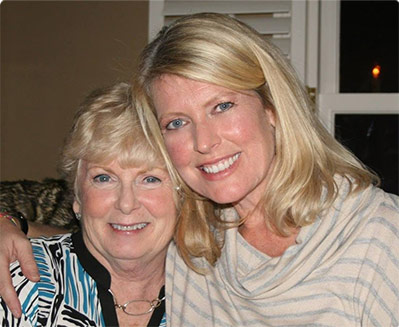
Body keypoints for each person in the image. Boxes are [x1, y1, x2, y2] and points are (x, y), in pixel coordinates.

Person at [1, 13, 399, 326]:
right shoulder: (200, 234)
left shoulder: (376, 237)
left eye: (221, 106)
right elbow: (105, 233)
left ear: (272, 107)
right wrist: (10, 223)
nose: (204, 142)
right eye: (176, 122)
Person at [0, 82, 183, 326]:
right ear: (77, 196)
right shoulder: (19, 280)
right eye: (103, 178)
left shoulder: (214, 294)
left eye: (150, 179)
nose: (126, 204)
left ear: (184, 194)